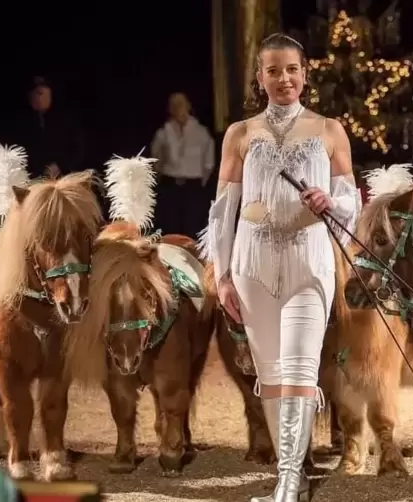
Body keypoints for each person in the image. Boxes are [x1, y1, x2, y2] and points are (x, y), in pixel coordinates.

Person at [203, 33, 361, 501]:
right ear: (260, 77)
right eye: (273, 70)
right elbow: (223, 208)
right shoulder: (240, 133)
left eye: (291, 69)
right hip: (252, 265)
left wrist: (330, 200)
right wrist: (224, 274)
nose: (283, 78)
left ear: (305, 73)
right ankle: (288, 476)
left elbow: (353, 199)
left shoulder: (329, 130)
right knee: (272, 377)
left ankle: (289, 485)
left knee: (299, 370)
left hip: (307, 263)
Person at [151, 92, 215, 237]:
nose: (177, 107)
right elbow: (156, 159)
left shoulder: (201, 132)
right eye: (173, 104)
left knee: (192, 229)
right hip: (170, 185)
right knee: (170, 228)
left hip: (193, 187)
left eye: (181, 103)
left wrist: (198, 183)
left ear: (188, 106)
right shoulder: (163, 132)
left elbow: (208, 163)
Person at [13, 77, 85, 178]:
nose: (37, 98)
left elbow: (78, 149)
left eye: (41, 94)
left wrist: (60, 165)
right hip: (34, 177)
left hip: (64, 177)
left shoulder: (65, 118)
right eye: (33, 94)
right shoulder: (23, 121)